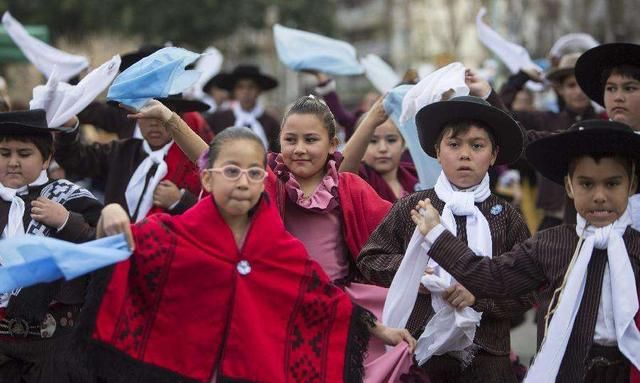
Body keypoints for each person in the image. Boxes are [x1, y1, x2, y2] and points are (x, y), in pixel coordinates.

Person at [82, 126, 415, 383]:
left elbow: (324, 300)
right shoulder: (172, 236)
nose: (243, 182)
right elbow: (121, 251)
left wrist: (379, 329)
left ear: (264, 181)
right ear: (208, 180)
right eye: (231, 171)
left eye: (254, 173)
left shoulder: (281, 250)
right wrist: (111, 212)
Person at [413, 119, 640, 382]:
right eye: (586, 184)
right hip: (566, 371)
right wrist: (439, 236)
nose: (599, 196)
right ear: (569, 186)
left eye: (612, 184)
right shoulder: (550, 245)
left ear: (631, 185)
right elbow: (491, 277)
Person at [357, 96, 534, 382]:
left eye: (477, 146)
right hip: (420, 349)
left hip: (487, 358)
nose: (465, 154)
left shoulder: (507, 217)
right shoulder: (413, 207)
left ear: (493, 154)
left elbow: (528, 286)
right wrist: (412, 274)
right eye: (454, 145)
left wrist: (480, 295)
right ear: (437, 152)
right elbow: (370, 259)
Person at [0, 109, 103, 383]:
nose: (12, 162)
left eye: (24, 154)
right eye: (4, 153)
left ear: (46, 158)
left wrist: (67, 221)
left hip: (54, 347)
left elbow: (105, 251)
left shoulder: (70, 198)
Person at [54, 98, 204, 223]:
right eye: (147, 115)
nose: (154, 123)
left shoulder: (194, 161)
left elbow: (213, 210)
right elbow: (74, 159)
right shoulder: (121, 151)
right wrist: (69, 129)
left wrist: (180, 201)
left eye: (161, 117)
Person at [501, 53, 601, 231]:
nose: (578, 91)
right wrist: (521, 78)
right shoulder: (546, 121)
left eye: (582, 85)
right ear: (560, 89)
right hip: (553, 221)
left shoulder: (605, 123)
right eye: (571, 85)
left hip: (598, 221)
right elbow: (502, 116)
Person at [339, 97, 418, 202]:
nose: (383, 149)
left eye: (391, 140)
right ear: (360, 146)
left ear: (403, 144)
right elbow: (342, 171)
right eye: (373, 141)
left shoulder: (415, 175)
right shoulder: (360, 178)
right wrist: (371, 121)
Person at [205, 65, 281, 152]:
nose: (246, 92)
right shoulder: (217, 119)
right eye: (240, 87)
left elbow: (277, 155)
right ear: (234, 91)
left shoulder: (271, 123)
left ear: (259, 90)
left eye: (251, 87)